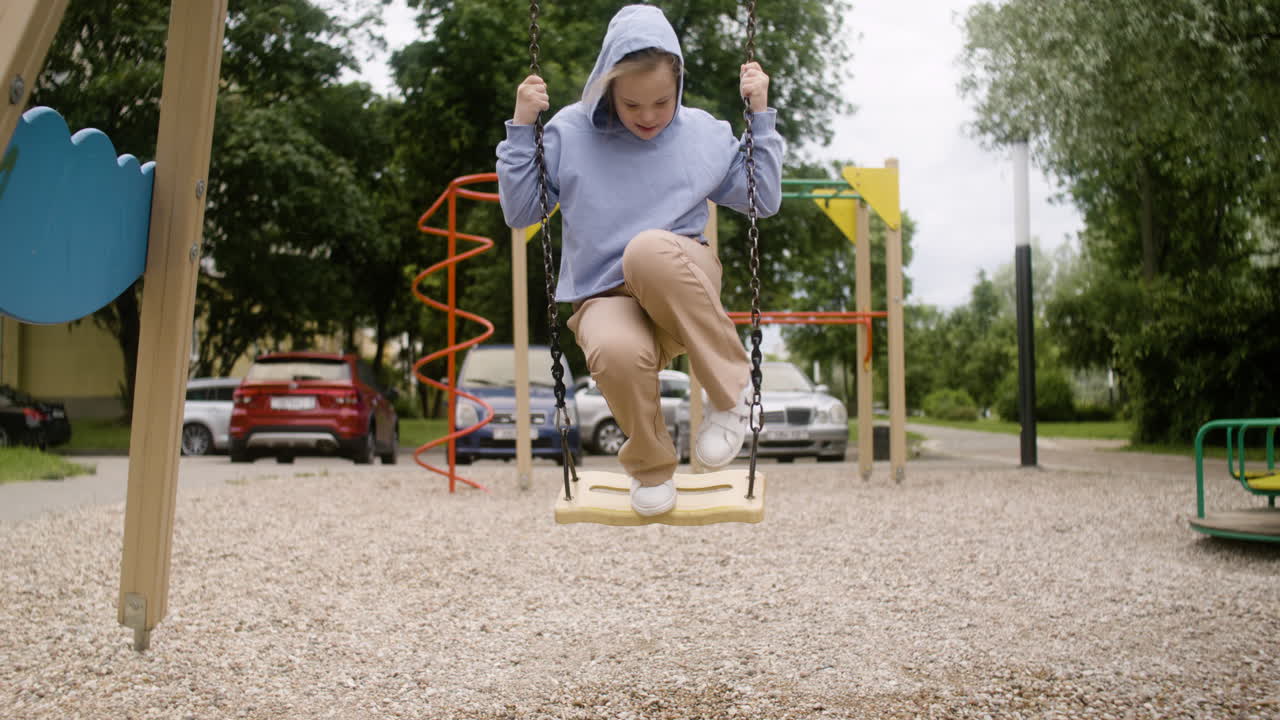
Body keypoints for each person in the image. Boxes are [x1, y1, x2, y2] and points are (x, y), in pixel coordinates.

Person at [496, 4, 784, 516]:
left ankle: (733, 392)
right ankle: (651, 468)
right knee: (613, 349)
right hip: (606, 299)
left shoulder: (703, 134)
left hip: (680, 285)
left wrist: (759, 115)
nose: (648, 116)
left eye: (661, 102)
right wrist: (522, 124)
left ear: (679, 84)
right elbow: (521, 212)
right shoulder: (569, 133)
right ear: (607, 89)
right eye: (632, 104)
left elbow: (761, 199)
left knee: (646, 251)